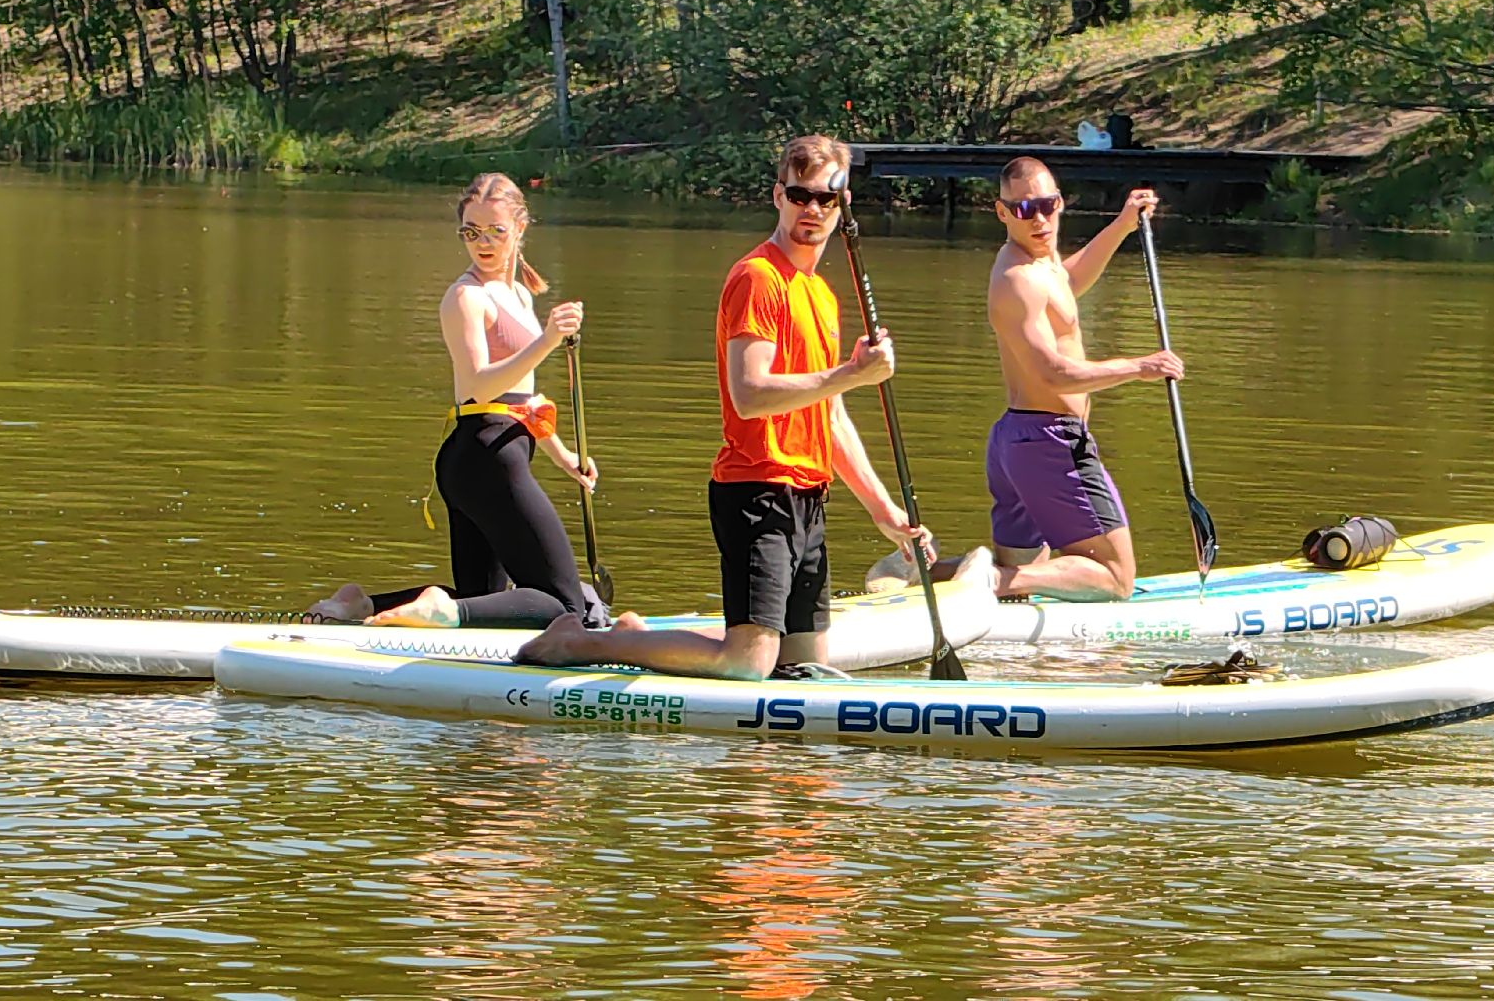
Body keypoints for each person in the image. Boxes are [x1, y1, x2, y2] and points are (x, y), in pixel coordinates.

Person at [516, 134, 989, 679]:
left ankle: (637, 638)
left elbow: (829, 414)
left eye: (825, 198)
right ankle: (575, 642)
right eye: (799, 194)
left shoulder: (819, 293)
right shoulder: (757, 278)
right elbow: (749, 393)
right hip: (756, 490)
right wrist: (852, 373)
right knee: (748, 662)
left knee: (806, 666)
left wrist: (886, 513)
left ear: (842, 206)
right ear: (778, 196)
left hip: (809, 499)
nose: (811, 209)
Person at [307, 173, 621, 630]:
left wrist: (564, 456)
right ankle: (442, 610)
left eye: (495, 231)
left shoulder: (515, 293)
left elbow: (525, 398)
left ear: (520, 229)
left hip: (492, 453)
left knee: (484, 601)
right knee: (565, 607)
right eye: (471, 232)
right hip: (486, 457)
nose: (483, 243)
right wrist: (550, 338)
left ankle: (362, 605)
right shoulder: (465, 297)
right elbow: (480, 386)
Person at [979, 157, 1181, 601]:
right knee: (1115, 578)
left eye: (1047, 205)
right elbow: (1054, 375)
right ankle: (990, 579)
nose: (1038, 218)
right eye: (1023, 209)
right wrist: (1139, 367)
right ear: (1001, 212)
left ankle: (928, 575)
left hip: (1018, 442)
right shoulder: (1017, 280)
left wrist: (1124, 225)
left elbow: (1067, 282)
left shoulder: (1040, 262)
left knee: (1021, 587)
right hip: (1051, 443)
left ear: (1060, 202)